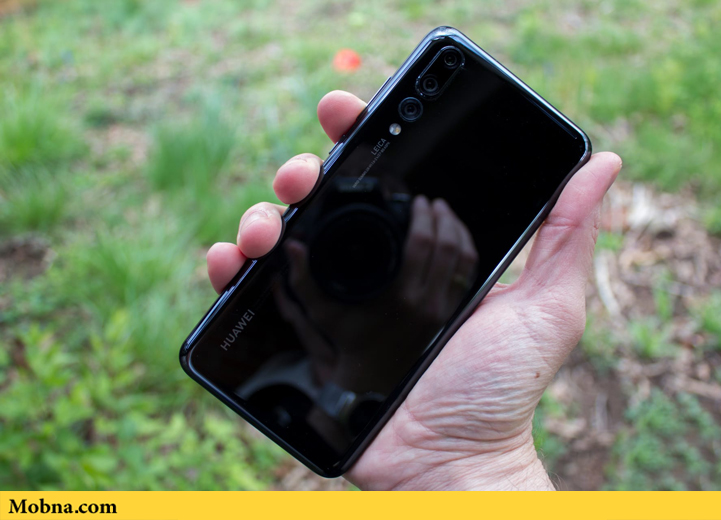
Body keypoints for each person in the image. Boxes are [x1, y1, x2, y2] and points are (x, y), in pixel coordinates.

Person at [205, 90, 623, 490]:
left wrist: (478, 461)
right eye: (337, 230)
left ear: (420, 225)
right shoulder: (276, 392)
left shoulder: (453, 301)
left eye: (382, 207)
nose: (359, 249)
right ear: (298, 265)